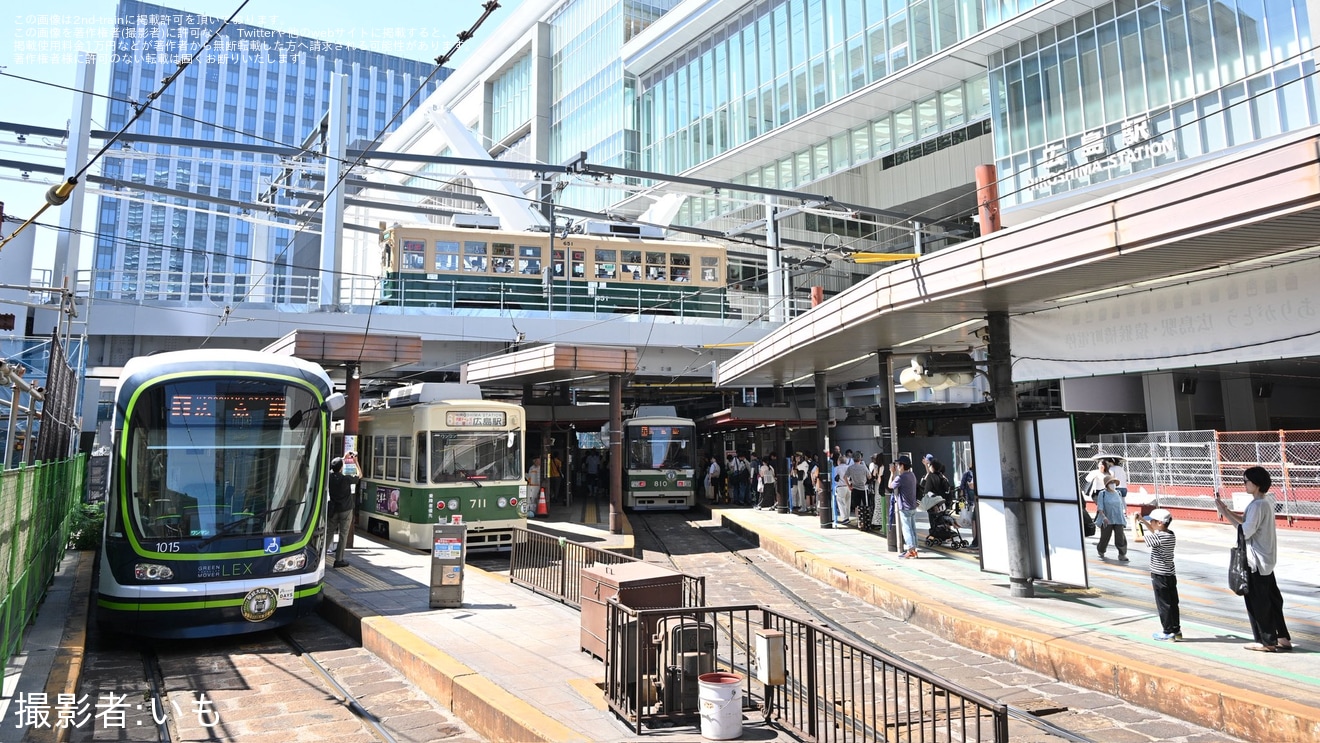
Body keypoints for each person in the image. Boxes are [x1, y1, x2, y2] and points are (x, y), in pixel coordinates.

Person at [1215, 467, 1293, 652]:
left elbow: (1245, 530)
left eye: (1246, 481)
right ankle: (1282, 637)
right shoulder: (1263, 503)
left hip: (1255, 563)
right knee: (1273, 600)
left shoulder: (1257, 505)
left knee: (1257, 602)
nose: (1244, 484)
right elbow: (1245, 523)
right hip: (1266, 562)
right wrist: (1227, 511)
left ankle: (1265, 641)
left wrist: (1225, 514)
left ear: (1256, 484)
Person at [1143, 508, 1182, 641]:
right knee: (1172, 603)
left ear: (1159, 523)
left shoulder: (1159, 537)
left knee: (1163, 604)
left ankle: (1167, 631)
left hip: (1159, 575)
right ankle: (1176, 630)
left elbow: (1138, 538)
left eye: (1152, 521)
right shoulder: (1170, 534)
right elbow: (1154, 531)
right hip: (1170, 574)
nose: (1151, 523)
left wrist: (1133, 522)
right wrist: (1142, 521)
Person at [327, 457, 358, 568]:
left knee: (329, 533)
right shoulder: (346, 479)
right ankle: (338, 560)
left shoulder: (329, 477)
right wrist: (356, 462)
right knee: (343, 535)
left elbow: (333, 469)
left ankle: (321, 556)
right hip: (346, 510)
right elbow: (360, 475)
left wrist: (342, 459)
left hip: (334, 509)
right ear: (341, 468)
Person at [890, 456, 919, 558]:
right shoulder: (912, 475)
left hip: (904, 507)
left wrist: (892, 473)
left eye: (898, 465)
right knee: (913, 529)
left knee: (906, 529)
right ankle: (914, 549)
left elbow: (891, 485)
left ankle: (910, 549)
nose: (897, 467)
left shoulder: (900, 478)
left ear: (902, 466)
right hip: (912, 506)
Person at [1094, 477, 1129, 561]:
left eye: (1114, 482)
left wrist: (1124, 516)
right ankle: (1101, 550)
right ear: (1107, 484)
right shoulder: (1103, 494)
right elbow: (1100, 507)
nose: (1113, 484)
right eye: (1111, 482)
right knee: (1105, 537)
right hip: (1107, 519)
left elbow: (1121, 506)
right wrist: (1103, 517)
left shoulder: (1118, 493)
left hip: (1118, 518)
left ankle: (1122, 554)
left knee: (1120, 537)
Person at [844, 456, 869, 526]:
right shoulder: (863, 467)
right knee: (865, 504)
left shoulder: (850, 467)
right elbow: (869, 476)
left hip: (854, 488)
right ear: (860, 459)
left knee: (856, 506)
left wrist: (849, 486)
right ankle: (865, 520)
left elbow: (845, 477)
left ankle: (858, 520)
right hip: (863, 488)